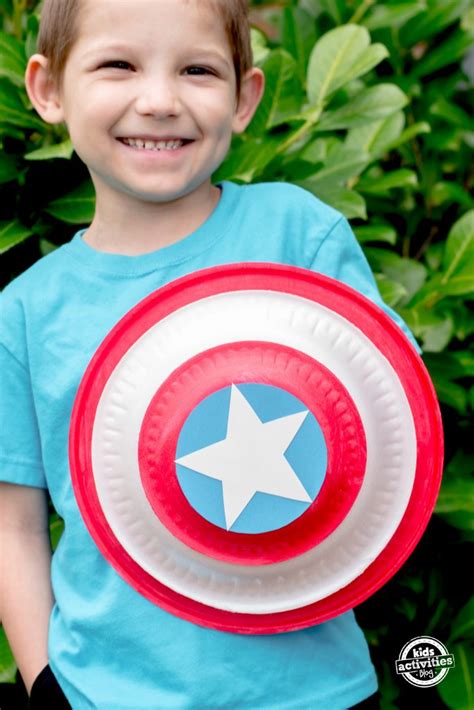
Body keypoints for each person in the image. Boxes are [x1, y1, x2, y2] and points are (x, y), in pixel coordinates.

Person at [0, 1, 416, 708]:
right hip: (105, 694)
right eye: (117, 65)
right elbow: (13, 522)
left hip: (314, 693)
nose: (159, 101)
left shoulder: (299, 236)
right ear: (48, 90)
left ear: (246, 95)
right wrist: (45, 682)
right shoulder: (27, 312)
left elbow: (393, 433)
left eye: (197, 69)